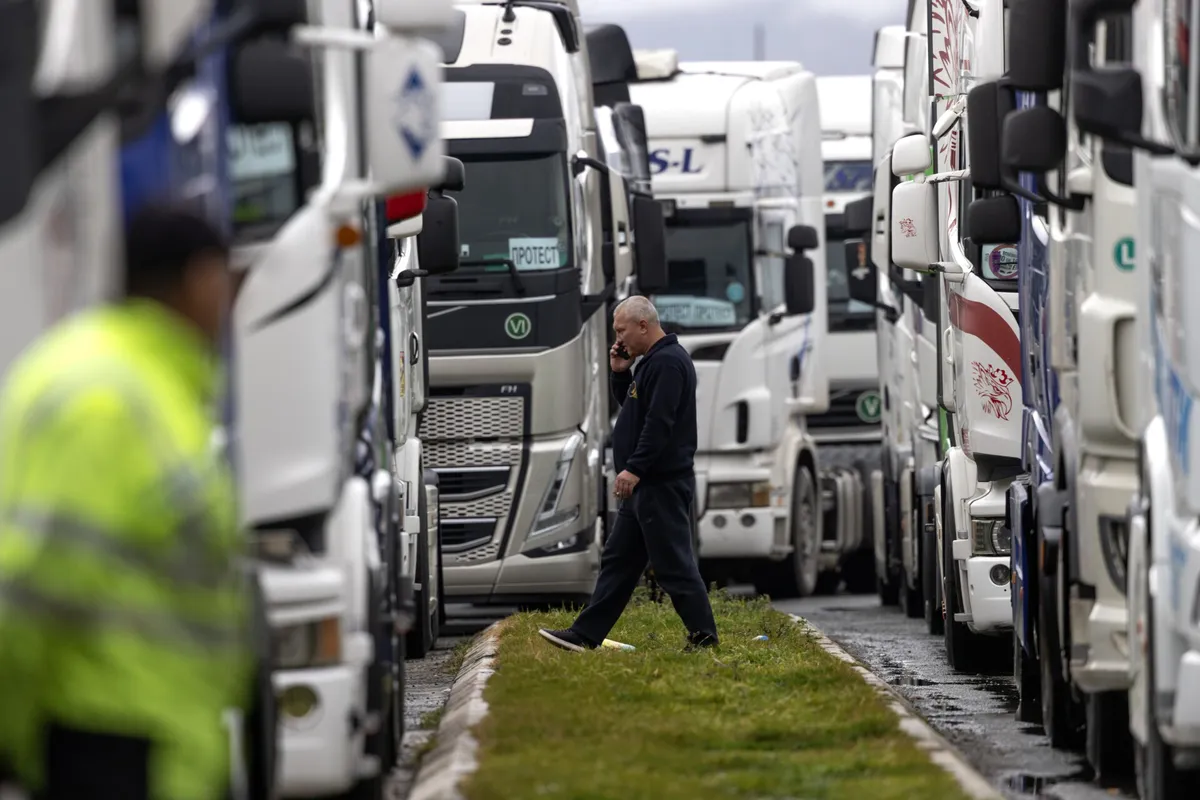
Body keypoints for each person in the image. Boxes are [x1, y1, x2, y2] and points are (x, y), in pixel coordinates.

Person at [0, 204, 252, 800]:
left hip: (157, 747)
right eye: (225, 281)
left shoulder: (148, 381)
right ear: (199, 278)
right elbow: (34, 583)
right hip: (112, 749)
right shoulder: (109, 399)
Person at [539, 296, 718, 652]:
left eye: (621, 330)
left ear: (643, 325)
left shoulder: (668, 363)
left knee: (673, 565)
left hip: (659, 484)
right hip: (644, 488)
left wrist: (634, 469)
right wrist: (620, 374)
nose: (618, 339)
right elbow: (637, 411)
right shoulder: (652, 362)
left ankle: (704, 638)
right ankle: (586, 634)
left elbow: (659, 424)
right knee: (619, 563)